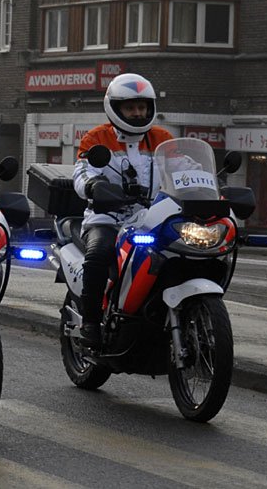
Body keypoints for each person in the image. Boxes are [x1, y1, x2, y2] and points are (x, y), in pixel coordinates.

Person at [72, 73, 173, 350]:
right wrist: (93, 186)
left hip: (151, 218)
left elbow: (183, 167)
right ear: (116, 109)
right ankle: (90, 323)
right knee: (98, 254)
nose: (138, 113)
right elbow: (82, 172)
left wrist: (205, 181)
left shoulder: (162, 139)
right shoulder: (97, 138)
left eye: (142, 107)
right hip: (107, 218)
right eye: (131, 108)